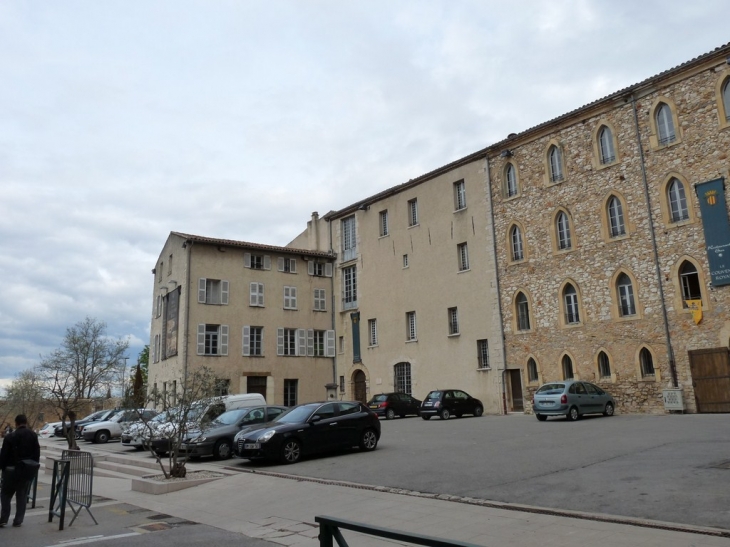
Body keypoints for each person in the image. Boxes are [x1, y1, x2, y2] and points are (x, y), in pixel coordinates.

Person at [0, 414, 41, 527]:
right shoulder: (33, 435)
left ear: (16, 423)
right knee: (22, 495)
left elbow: (4, 455)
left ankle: (3, 518)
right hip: (26, 469)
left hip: (11, 470)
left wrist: (2, 468)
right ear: (26, 422)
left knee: (5, 494)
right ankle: (18, 520)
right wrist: (33, 468)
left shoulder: (10, 437)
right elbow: (37, 453)